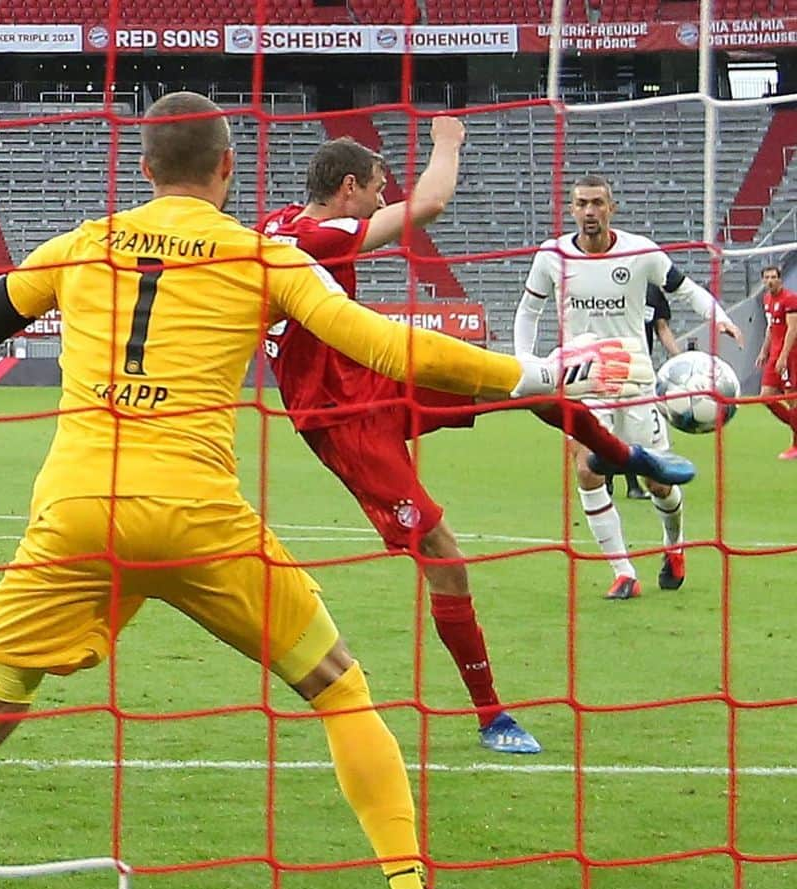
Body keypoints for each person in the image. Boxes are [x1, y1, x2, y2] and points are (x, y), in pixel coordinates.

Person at [0, 93, 649, 889]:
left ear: (145, 165)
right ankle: (407, 883)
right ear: (229, 167)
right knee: (340, 692)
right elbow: (386, 346)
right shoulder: (260, 255)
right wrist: (539, 371)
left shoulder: (89, 244)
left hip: (78, 510)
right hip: (199, 515)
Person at [260, 131, 693, 752]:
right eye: (379, 189)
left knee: (531, 385)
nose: (386, 198)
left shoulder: (279, 225)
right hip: (342, 422)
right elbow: (431, 202)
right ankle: (492, 716)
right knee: (445, 554)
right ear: (348, 188)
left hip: (376, 377)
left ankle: (626, 455)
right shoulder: (319, 238)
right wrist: (446, 139)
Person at [514, 174, 743, 599]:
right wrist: (524, 364)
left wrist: (719, 317)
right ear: (572, 209)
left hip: (635, 378)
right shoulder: (552, 256)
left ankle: (674, 547)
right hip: (581, 380)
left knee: (657, 481)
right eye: (582, 203)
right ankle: (623, 572)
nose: (589, 212)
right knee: (586, 468)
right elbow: (529, 310)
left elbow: (686, 288)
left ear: (611, 208)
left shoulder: (641, 252)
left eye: (598, 203)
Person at [610, 283, 681, 499]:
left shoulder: (651, 291)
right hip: (607, 365)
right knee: (607, 425)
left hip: (639, 370)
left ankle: (633, 485)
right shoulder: (609, 285)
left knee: (635, 428)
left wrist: (679, 358)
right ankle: (605, 482)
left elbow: (662, 328)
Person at [754, 264, 797, 460]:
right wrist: (764, 351)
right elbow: (771, 328)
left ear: (780, 279)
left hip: (789, 355)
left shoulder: (790, 299)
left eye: (773, 277)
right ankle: (795, 423)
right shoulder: (767, 299)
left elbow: (793, 330)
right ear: (763, 280)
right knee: (765, 397)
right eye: (767, 277)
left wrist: (783, 356)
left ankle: (795, 446)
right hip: (774, 355)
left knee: (791, 399)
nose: (770, 281)